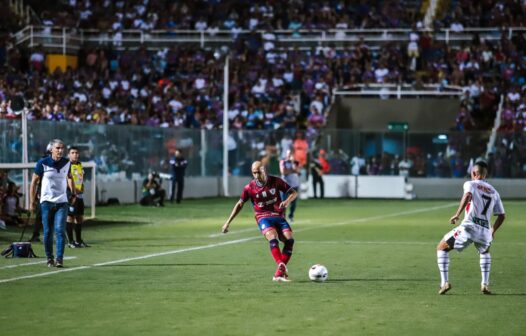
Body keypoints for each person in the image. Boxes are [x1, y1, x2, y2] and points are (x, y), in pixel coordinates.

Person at [436, 161, 505, 295]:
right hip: (485, 230)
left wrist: (457, 214)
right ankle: (484, 284)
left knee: (441, 248)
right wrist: (493, 231)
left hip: (469, 227)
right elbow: (502, 216)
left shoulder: (470, 184)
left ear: (474, 173)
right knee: (485, 252)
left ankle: (444, 282)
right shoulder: (494, 192)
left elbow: (467, 196)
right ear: (486, 174)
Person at [221, 161, 298, 282]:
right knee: (272, 237)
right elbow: (239, 204)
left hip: (278, 216)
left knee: (289, 241)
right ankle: (281, 264)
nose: (256, 175)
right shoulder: (249, 187)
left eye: (258, 172)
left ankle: (278, 273)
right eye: (254, 173)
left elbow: (294, 193)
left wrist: (287, 201)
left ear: (264, 170)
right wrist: (228, 222)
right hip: (263, 216)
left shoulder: (276, 181)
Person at [29, 139, 75, 268]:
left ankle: (59, 259)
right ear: (51, 149)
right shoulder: (42, 163)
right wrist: (32, 201)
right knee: (48, 231)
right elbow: (34, 182)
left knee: (60, 230)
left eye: (62, 148)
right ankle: (50, 258)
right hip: (46, 203)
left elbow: (69, 177)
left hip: (62, 202)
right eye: (58, 148)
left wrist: (74, 192)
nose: (60, 150)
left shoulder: (67, 163)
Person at [66, 146, 89, 248]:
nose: (75, 154)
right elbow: (67, 180)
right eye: (72, 152)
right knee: (70, 217)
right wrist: (73, 193)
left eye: (76, 153)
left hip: (79, 195)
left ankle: (79, 240)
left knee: (79, 217)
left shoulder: (79, 165)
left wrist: (82, 187)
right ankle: (70, 241)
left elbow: (80, 179)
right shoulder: (67, 165)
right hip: (71, 195)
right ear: (69, 154)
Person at [279, 149, 300, 222]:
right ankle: (282, 216)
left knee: (293, 202)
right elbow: (283, 172)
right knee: (283, 201)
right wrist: (292, 170)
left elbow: (297, 171)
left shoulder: (296, 162)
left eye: (291, 153)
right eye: (288, 153)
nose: (289, 155)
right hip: (285, 185)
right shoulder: (283, 161)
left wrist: (292, 163)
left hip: (294, 184)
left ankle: (291, 216)